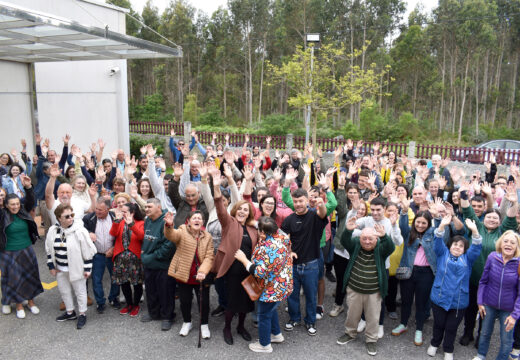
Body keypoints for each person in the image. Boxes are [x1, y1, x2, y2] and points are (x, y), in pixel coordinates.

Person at [459, 183, 518, 347]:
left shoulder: (502, 233)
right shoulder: (476, 227)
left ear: (500, 222)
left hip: (492, 282)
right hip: (472, 277)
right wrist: (464, 194)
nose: (491, 219)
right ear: (483, 219)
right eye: (489, 217)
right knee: (470, 308)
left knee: (485, 312)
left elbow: (511, 218)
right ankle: (467, 333)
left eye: (495, 218)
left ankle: (481, 337)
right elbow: (467, 211)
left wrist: (513, 202)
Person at [211, 169, 258, 345]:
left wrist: (256, 223)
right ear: (235, 210)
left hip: (248, 271)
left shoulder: (254, 229)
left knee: (246, 303)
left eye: (246, 210)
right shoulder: (228, 223)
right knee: (231, 303)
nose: (242, 211)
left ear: (249, 213)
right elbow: (219, 205)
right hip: (231, 271)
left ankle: (240, 327)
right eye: (240, 209)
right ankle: (227, 327)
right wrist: (216, 186)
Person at [234, 216, 293, 353]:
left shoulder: (267, 248)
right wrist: (257, 223)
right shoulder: (281, 238)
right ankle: (276, 334)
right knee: (271, 310)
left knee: (264, 315)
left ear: (262, 233)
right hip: (282, 285)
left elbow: (260, 272)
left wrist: (244, 260)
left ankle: (265, 344)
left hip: (270, 289)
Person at [336, 219, 395, 356]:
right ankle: (350, 334)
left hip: (374, 292)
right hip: (354, 289)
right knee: (352, 315)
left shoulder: (380, 248)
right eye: (364, 238)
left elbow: (391, 247)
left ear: (376, 238)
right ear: (359, 238)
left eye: (370, 239)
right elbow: (345, 241)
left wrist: (385, 236)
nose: (367, 242)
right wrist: (348, 230)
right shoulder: (355, 244)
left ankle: (371, 340)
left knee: (373, 317)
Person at [427, 215, 482, 360]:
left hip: (459, 301)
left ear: (464, 249)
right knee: (438, 324)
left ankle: (448, 349)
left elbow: (476, 247)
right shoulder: (442, 253)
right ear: (450, 246)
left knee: (451, 327)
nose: (457, 247)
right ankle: (434, 343)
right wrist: (442, 226)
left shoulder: (468, 259)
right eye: (455, 244)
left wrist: (475, 231)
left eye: (461, 246)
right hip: (439, 297)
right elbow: (437, 240)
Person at [281, 185, 328, 336]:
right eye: (295, 201)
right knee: (292, 294)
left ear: (307, 201)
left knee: (310, 295)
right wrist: (288, 252)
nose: (298, 204)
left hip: (311, 264)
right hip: (293, 265)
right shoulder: (289, 220)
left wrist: (321, 204)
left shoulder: (315, 216)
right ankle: (294, 318)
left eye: (301, 201)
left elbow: (323, 214)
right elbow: (284, 240)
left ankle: (310, 321)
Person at [164, 210, 214, 339]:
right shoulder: (182, 230)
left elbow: (209, 256)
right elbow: (172, 235)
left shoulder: (207, 236)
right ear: (189, 222)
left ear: (203, 222)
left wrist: (203, 271)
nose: (197, 220)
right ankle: (187, 322)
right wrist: (169, 226)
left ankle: (204, 324)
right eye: (194, 218)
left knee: (204, 302)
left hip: (201, 276)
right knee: (185, 301)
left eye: (200, 218)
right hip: (184, 274)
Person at [46, 203, 96, 329]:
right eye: (66, 216)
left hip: (77, 268)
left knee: (80, 292)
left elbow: (88, 251)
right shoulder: (53, 230)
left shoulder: (80, 231)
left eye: (71, 215)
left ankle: (82, 314)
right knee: (64, 291)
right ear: (58, 218)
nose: (70, 218)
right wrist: (51, 265)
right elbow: (48, 248)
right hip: (60, 269)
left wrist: (87, 268)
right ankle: (70, 312)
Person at [472, 230, 520, 360]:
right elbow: (483, 281)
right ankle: (481, 355)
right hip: (489, 304)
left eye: (512, 243)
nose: (508, 244)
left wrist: (515, 316)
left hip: (508, 310)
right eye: (506, 241)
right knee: (485, 333)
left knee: (506, 340)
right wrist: (480, 302)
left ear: (517, 246)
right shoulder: (492, 257)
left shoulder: (519, 263)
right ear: (501, 243)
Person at [0, 175, 43, 318]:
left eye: (17, 204)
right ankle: (18, 305)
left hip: (27, 249)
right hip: (9, 251)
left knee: (30, 276)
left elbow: (31, 200)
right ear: (6, 205)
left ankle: (31, 302)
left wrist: (29, 187)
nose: (15, 206)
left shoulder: (23, 211)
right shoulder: (2, 215)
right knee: (14, 278)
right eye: (12, 204)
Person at [392, 210, 436, 346]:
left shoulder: (433, 234)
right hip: (408, 271)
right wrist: (404, 211)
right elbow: (403, 225)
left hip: (426, 273)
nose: (420, 225)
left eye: (424, 223)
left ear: (429, 224)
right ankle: (403, 324)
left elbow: (442, 232)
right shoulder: (409, 233)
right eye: (418, 222)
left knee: (421, 303)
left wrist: (439, 217)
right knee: (406, 300)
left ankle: (419, 330)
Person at [140, 198, 176, 331]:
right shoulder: (147, 220)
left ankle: (168, 317)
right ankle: (153, 313)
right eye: (145, 207)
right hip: (149, 264)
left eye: (149, 206)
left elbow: (169, 245)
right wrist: (145, 255)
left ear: (158, 207)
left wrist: (152, 257)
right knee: (151, 290)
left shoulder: (166, 221)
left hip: (163, 265)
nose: (146, 209)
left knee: (165, 291)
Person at [82, 197, 121, 313]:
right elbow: (81, 230)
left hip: (112, 254)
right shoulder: (88, 218)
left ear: (108, 209)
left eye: (101, 210)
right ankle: (100, 302)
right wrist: (88, 233)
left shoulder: (115, 218)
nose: (97, 212)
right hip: (97, 254)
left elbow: (121, 235)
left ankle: (113, 298)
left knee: (115, 277)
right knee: (96, 279)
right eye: (96, 209)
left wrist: (114, 248)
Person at [110, 202, 145, 317]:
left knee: (136, 283)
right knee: (124, 282)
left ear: (132, 212)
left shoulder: (140, 223)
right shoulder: (120, 222)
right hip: (120, 257)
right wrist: (116, 221)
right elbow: (113, 233)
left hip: (135, 258)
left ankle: (136, 305)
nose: (122, 213)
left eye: (125, 211)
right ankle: (129, 304)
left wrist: (131, 225)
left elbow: (141, 237)